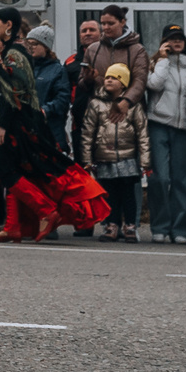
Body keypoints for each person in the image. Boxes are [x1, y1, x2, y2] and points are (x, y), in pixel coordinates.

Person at [0, 35, 112, 243]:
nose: (32, 47)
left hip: (40, 129)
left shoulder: (50, 68)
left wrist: (42, 111)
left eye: (36, 44)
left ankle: (45, 211)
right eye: (30, 43)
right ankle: (13, 225)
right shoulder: (19, 64)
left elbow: (20, 97)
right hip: (21, 127)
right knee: (16, 173)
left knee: (35, 174)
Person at [79, 63, 149, 240]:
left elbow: (143, 133)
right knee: (109, 193)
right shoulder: (96, 103)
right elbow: (88, 132)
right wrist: (87, 159)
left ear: (124, 83)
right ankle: (111, 225)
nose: (109, 80)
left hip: (127, 157)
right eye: (108, 77)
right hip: (104, 157)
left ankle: (130, 226)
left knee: (127, 193)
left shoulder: (133, 106)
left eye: (115, 78)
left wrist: (145, 161)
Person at [144, 26, 186, 245]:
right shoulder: (156, 64)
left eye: (180, 39)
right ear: (164, 42)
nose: (177, 43)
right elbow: (153, 85)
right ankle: (160, 226)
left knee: (181, 180)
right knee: (160, 178)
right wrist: (163, 59)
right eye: (172, 39)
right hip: (158, 124)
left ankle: (181, 229)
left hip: (182, 128)